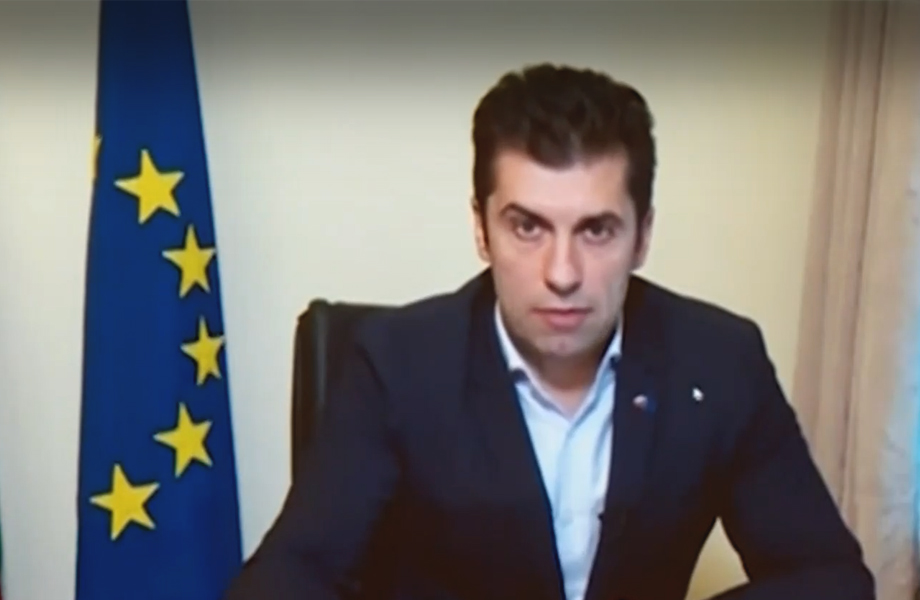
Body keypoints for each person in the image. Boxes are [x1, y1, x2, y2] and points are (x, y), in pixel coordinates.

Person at [224, 63, 874, 600]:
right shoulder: (395, 363)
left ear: (642, 235)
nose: (562, 273)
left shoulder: (720, 361)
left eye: (597, 230)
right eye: (527, 227)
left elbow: (830, 578)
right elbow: (288, 578)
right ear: (481, 229)